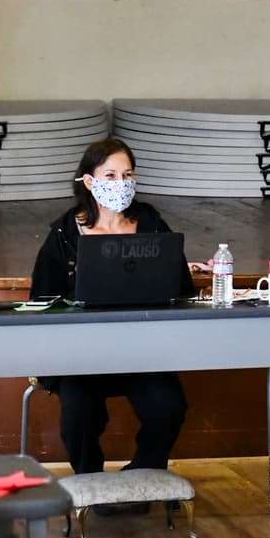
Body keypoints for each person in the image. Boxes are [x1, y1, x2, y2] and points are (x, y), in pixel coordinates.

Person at [30, 137, 195, 483]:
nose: (121, 184)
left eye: (127, 175)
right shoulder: (63, 233)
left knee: (168, 407)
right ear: (89, 182)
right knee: (78, 417)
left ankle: (143, 477)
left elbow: (180, 287)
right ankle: (91, 483)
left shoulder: (149, 221)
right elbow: (41, 299)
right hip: (82, 355)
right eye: (110, 176)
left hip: (142, 350)